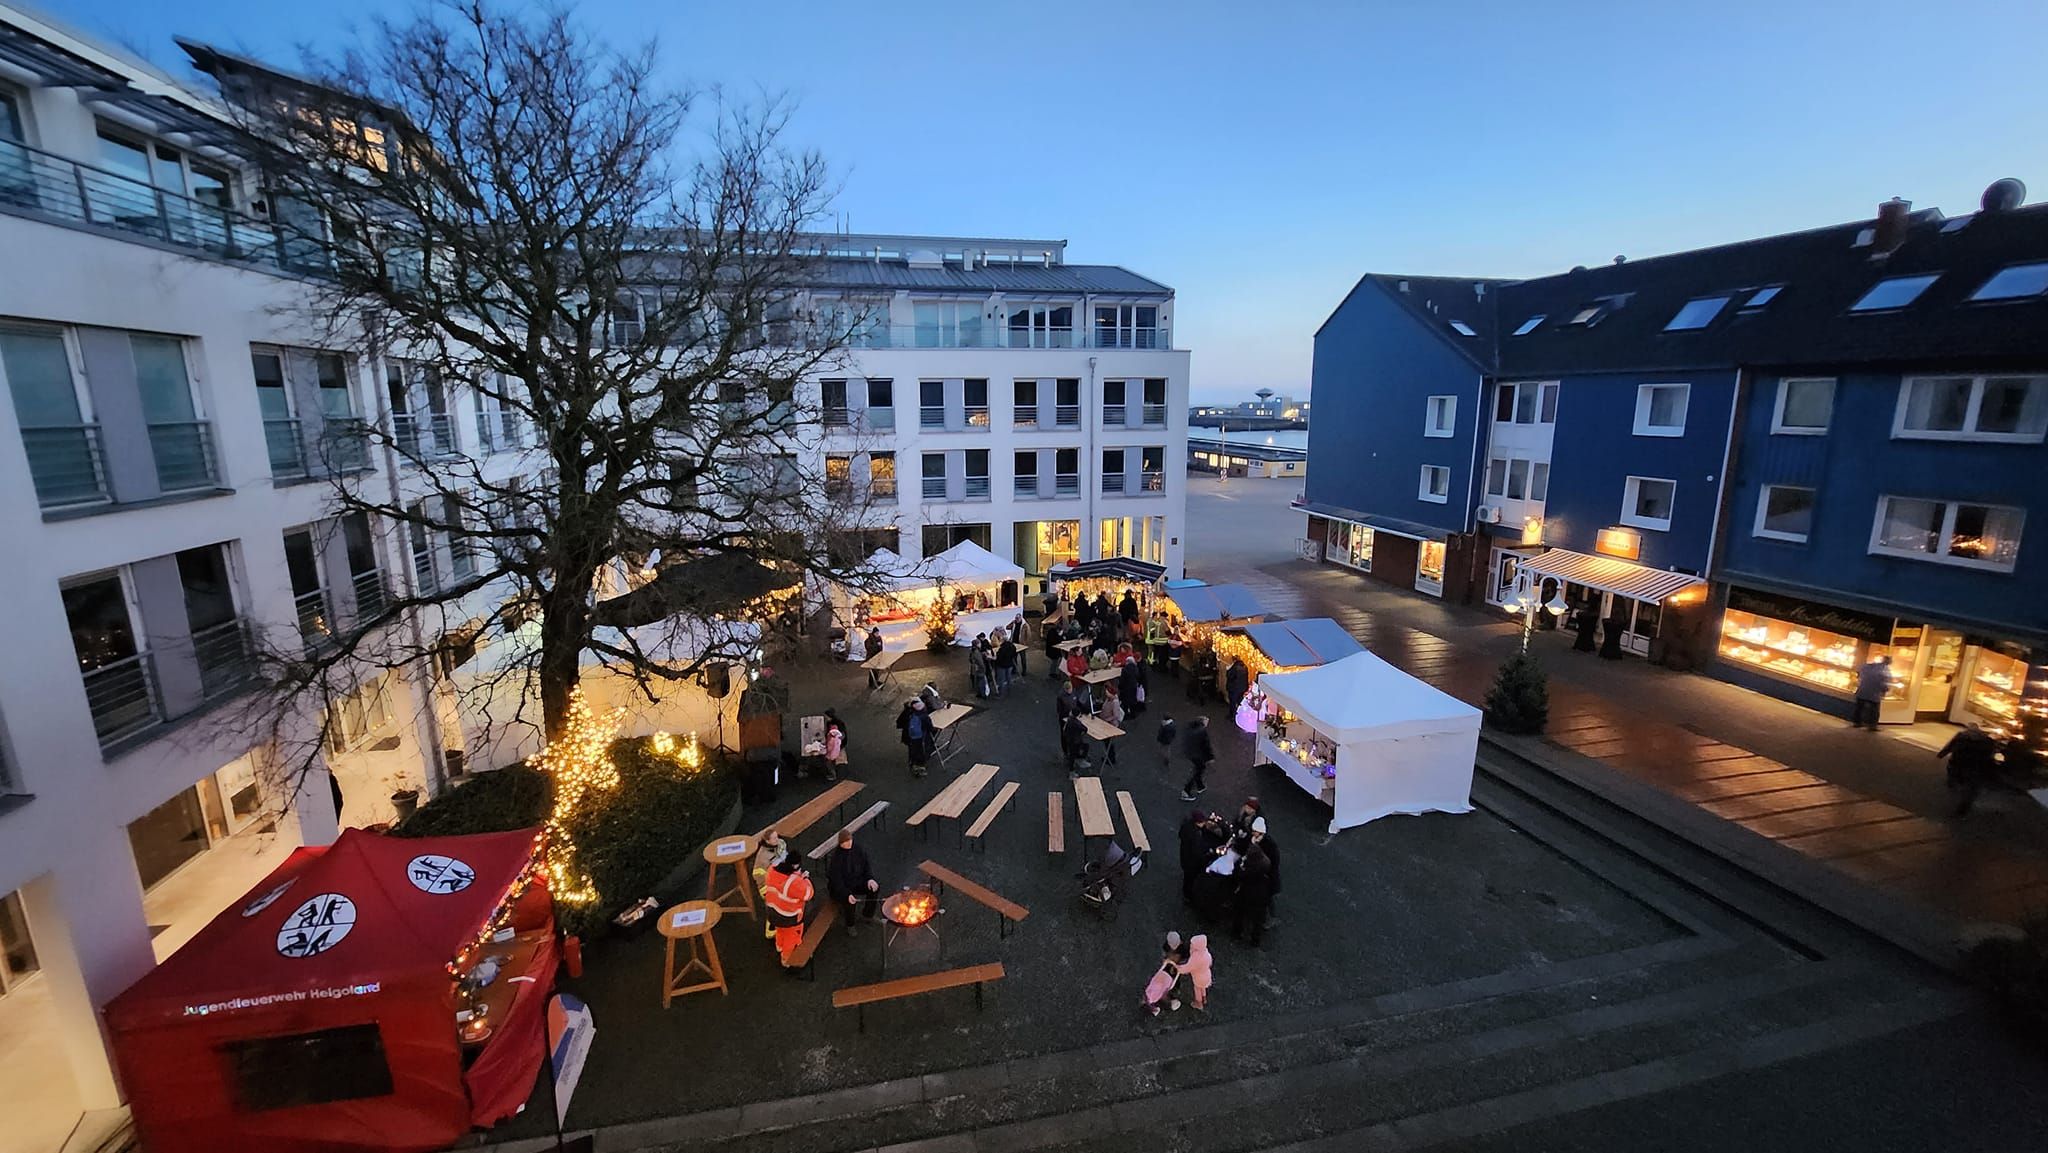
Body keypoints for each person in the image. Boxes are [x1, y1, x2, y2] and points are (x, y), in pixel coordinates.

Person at [761, 842, 815, 970]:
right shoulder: (794, 882)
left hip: (772, 911)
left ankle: (779, 947)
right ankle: (787, 959)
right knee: (791, 937)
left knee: (780, 931)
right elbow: (808, 894)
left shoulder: (772, 871)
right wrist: (805, 879)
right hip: (789, 916)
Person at [1939, 724, 2002, 816]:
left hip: (1960, 762)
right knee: (1971, 789)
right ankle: (1963, 808)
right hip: (1976, 767)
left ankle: (1954, 785)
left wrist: (1942, 754)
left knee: (1958, 777)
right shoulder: (1987, 740)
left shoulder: (1962, 736)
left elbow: (1951, 745)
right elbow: (1991, 754)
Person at [826, 829, 881, 936]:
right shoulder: (836, 858)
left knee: (874, 889)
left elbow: (866, 865)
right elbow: (837, 881)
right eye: (845, 842)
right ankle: (850, 924)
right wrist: (847, 894)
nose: (849, 843)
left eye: (850, 840)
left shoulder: (858, 849)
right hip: (842, 888)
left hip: (856, 882)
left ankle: (868, 915)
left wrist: (870, 878)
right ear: (841, 843)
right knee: (849, 902)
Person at [1232, 841, 1273, 947]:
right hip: (1261, 896)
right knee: (1257, 920)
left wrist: (1239, 864)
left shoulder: (1250, 869)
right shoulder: (1265, 864)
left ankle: (1237, 932)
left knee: (1239, 912)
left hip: (1247, 894)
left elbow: (1238, 875)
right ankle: (1255, 940)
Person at [1142, 931, 1191, 1016]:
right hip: (1169, 968)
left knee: (1173, 978)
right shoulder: (1179, 948)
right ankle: (1173, 994)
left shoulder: (1180, 949)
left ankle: (1174, 990)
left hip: (1171, 967)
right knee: (1171, 981)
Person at [1180, 716, 1215, 801]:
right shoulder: (1202, 731)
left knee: (1199, 769)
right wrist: (1210, 757)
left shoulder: (1191, 728)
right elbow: (1206, 745)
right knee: (1198, 771)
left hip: (1191, 753)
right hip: (1198, 755)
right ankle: (1186, 791)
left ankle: (1200, 786)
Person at [1852, 655, 1891, 731]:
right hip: (1874, 693)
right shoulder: (1885, 670)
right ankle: (1872, 726)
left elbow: (1860, 671)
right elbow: (1883, 683)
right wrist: (1886, 690)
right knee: (1874, 710)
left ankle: (1857, 722)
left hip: (1862, 690)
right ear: (1888, 662)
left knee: (1859, 707)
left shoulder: (1869, 665)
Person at [903, 699, 934, 778]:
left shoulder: (910, 714)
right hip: (921, 737)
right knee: (921, 752)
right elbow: (930, 728)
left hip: (912, 738)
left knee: (914, 751)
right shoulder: (924, 717)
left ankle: (913, 764)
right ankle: (920, 769)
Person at [1183, 933, 1213, 1012]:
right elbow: (1210, 963)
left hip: (1198, 978)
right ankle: (1204, 997)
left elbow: (1187, 968)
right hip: (1207, 975)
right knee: (1203, 987)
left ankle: (1199, 1003)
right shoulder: (1206, 953)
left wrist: (1178, 968)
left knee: (1197, 989)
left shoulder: (1195, 958)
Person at [1099, 686, 1124, 766]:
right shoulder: (1109, 699)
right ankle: (1109, 757)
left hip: (1110, 725)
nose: (1106, 693)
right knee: (1107, 742)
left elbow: (1116, 715)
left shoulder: (1115, 702)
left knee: (1109, 742)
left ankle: (1110, 758)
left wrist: (1107, 719)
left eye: (1107, 692)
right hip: (1105, 722)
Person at [1062, 709, 1091, 777]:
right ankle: (1072, 771)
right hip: (1075, 741)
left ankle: (1078, 761)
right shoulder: (1076, 723)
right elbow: (1085, 729)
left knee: (1075, 752)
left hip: (1069, 739)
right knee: (1075, 753)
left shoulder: (1069, 720)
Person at [1120, 652, 1147, 721]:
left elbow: (1122, 680)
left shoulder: (1125, 669)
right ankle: (1133, 714)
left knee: (1125, 702)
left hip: (1126, 688)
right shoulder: (1135, 668)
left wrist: (1120, 686)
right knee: (1133, 701)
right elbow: (1138, 676)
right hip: (1133, 686)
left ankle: (1126, 714)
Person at [822, 715, 847, 783]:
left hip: (834, 747)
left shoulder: (834, 731)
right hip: (836, 746)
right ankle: (834, 771)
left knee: (829, 760)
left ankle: (833, 774)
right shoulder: (836, 724)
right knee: (832, 760)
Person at [968, 634, 990, 699]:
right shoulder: (976, 653)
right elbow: (980, 662)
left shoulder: (973, 651)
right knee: (982, 682)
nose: (980, 644)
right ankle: (983, 694)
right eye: (979, 643)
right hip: (979, 670)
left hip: (975, 669)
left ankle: (979, 693)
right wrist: (984, 669)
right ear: (977, 644)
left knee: (978, 681)